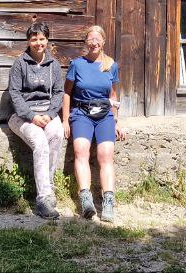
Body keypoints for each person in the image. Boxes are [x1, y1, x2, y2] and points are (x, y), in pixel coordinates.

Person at [62, 24, 125, 222]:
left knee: (105, 154)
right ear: (85, 42)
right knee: (81, 150)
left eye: (98, 38)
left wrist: (115, 122)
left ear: (104, 42)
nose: (94, 42)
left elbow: (113, 95)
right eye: (90, 39)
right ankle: (86, 199)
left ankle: (108, 201)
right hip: (81, 113)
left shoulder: (111, 65)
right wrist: (65, 120)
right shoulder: (77, 64)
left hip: (105, 114)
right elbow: (67, 93)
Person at [7, 21, 65, 220]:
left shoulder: (54, 65)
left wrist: (49, 115)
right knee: (40, 143)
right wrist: (32, 117)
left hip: (47, 114)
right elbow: (14, 94)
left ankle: (47, 188)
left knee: (56, 135)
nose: (38, 42)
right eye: (34, 39)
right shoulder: (20, 64)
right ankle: (43, 199)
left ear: (47, 40)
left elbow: (58, 93)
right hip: (22, 117)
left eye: (42, 38)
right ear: (28, 41)